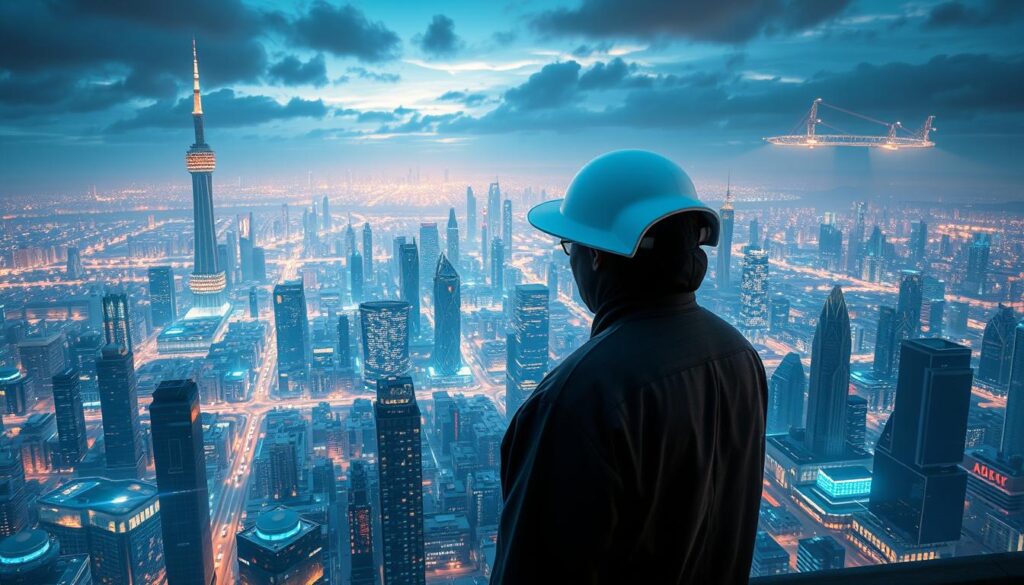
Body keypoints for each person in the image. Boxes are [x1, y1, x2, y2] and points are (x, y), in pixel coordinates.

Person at [491, 150, 767, 584]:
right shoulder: (739, 356)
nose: (571, 260)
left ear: (598, 255)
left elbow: (531, 570)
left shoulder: (579, 399)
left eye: (571, 246)